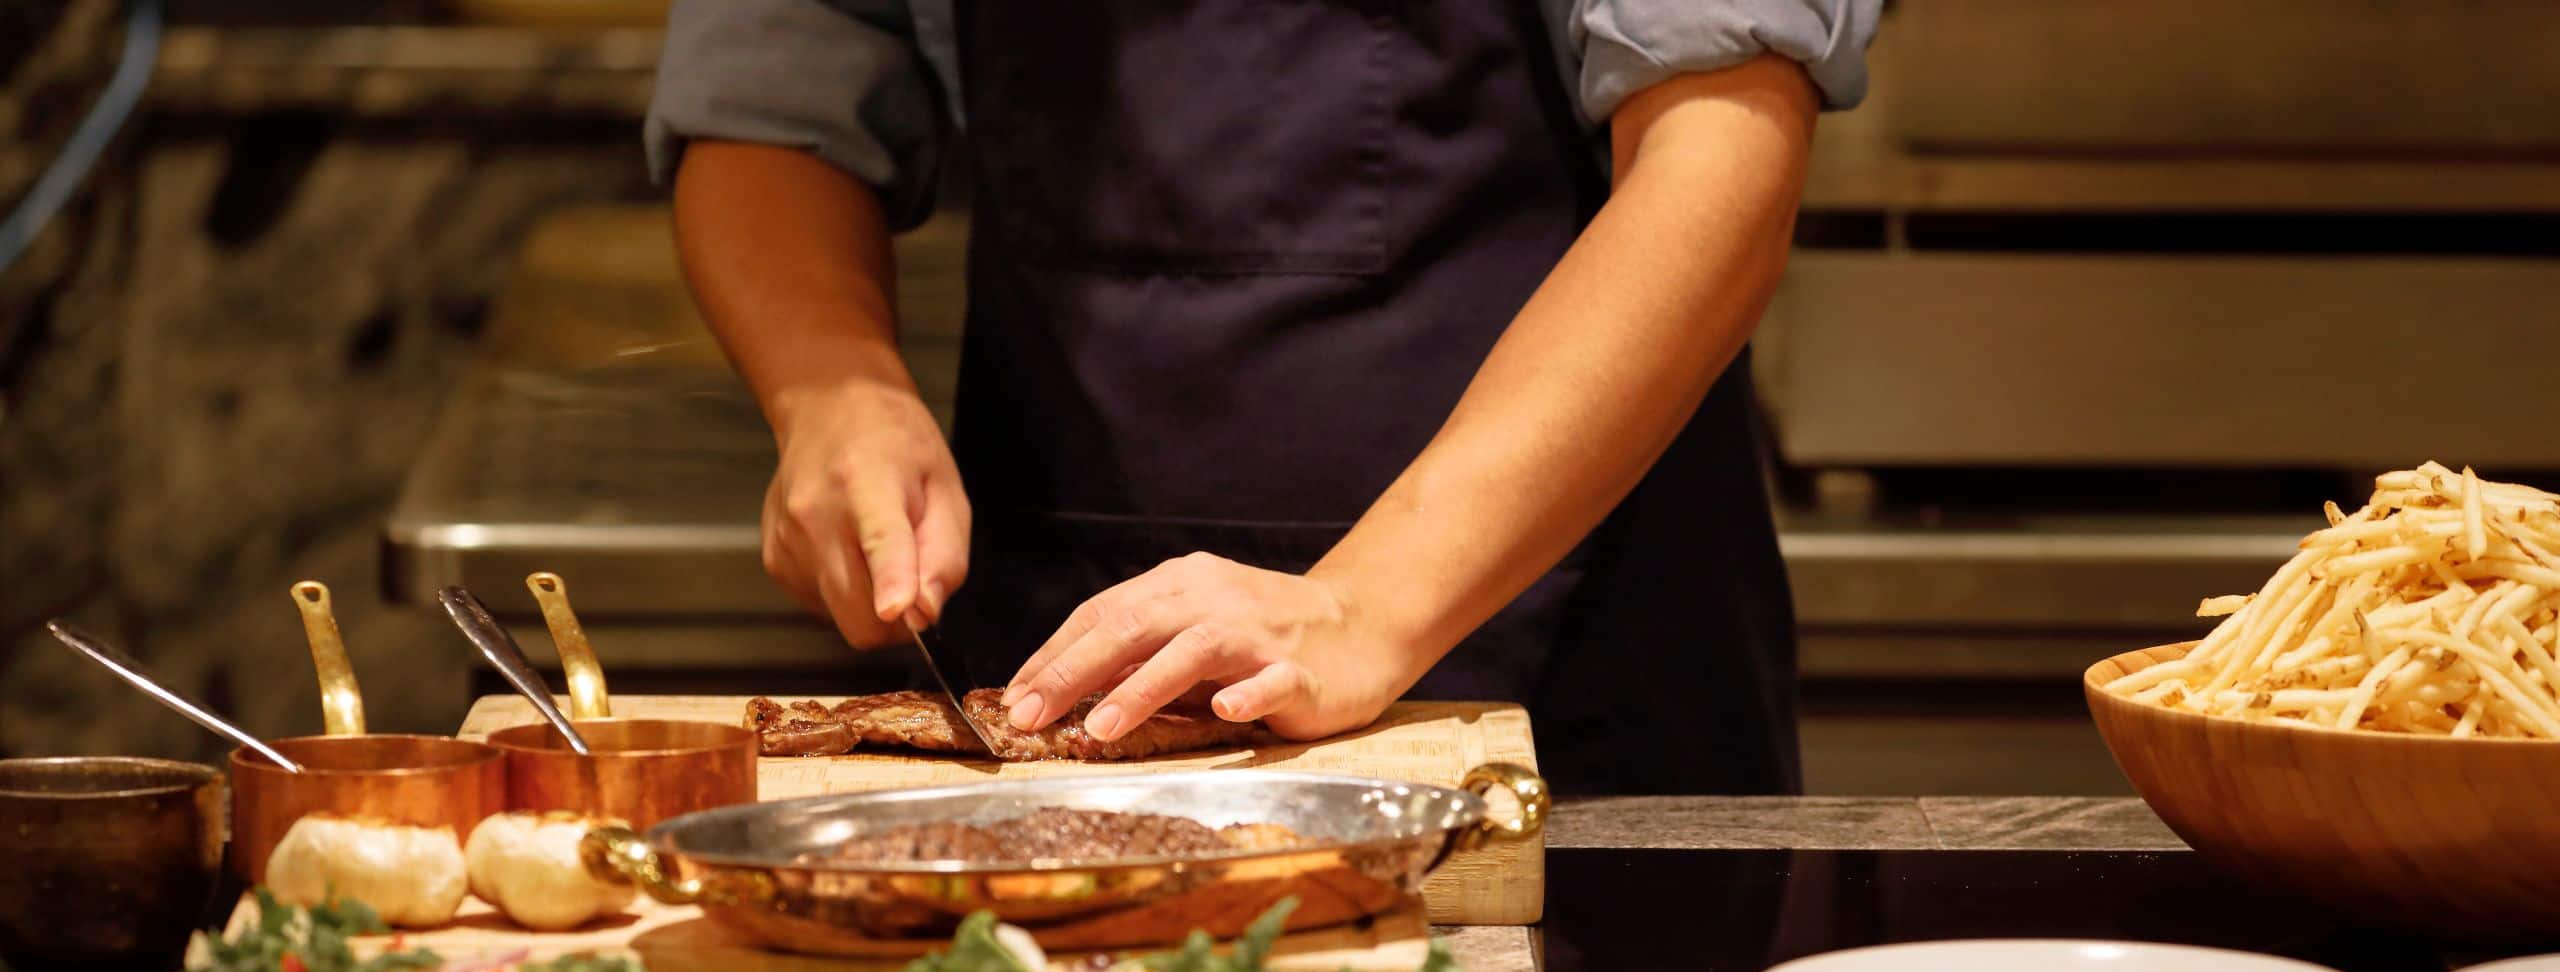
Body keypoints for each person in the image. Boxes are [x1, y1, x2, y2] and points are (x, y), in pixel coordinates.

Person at [650, 0, 1879, 794]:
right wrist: (832, 386)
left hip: (1562, 658)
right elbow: (772, 99)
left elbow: (1720, 154)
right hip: (1048, 651)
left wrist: (1364, 605)